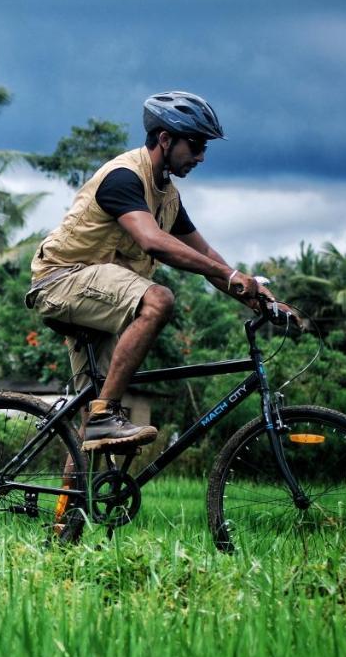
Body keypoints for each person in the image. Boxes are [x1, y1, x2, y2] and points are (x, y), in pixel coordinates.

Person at [25, 91, 290, 451]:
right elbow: (152, 241)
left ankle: (73, 506)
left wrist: (254, 296)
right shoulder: (124, 178)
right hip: (62, 281)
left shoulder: (167, 196)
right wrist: (229, 276)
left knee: (95, 432)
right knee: (158, 299)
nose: (200, 156)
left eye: (204, 148)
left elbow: (207, 255)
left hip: (96, 292)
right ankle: (105, 414)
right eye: (195, 145)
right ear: (165, 139)